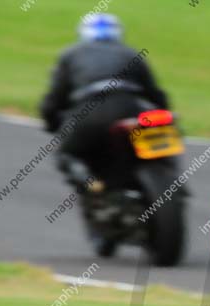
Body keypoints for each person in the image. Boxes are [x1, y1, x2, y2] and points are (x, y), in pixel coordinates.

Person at [39, 13, 169, 188]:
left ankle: (93, 185)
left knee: (66, 153)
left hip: (90, 110)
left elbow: (56, 97)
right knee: (159, 144)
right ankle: (166, 175)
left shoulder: (71, 54)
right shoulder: (130, 53)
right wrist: (162, 114)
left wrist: (51, 121)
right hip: (130, 108)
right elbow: (155, 93)